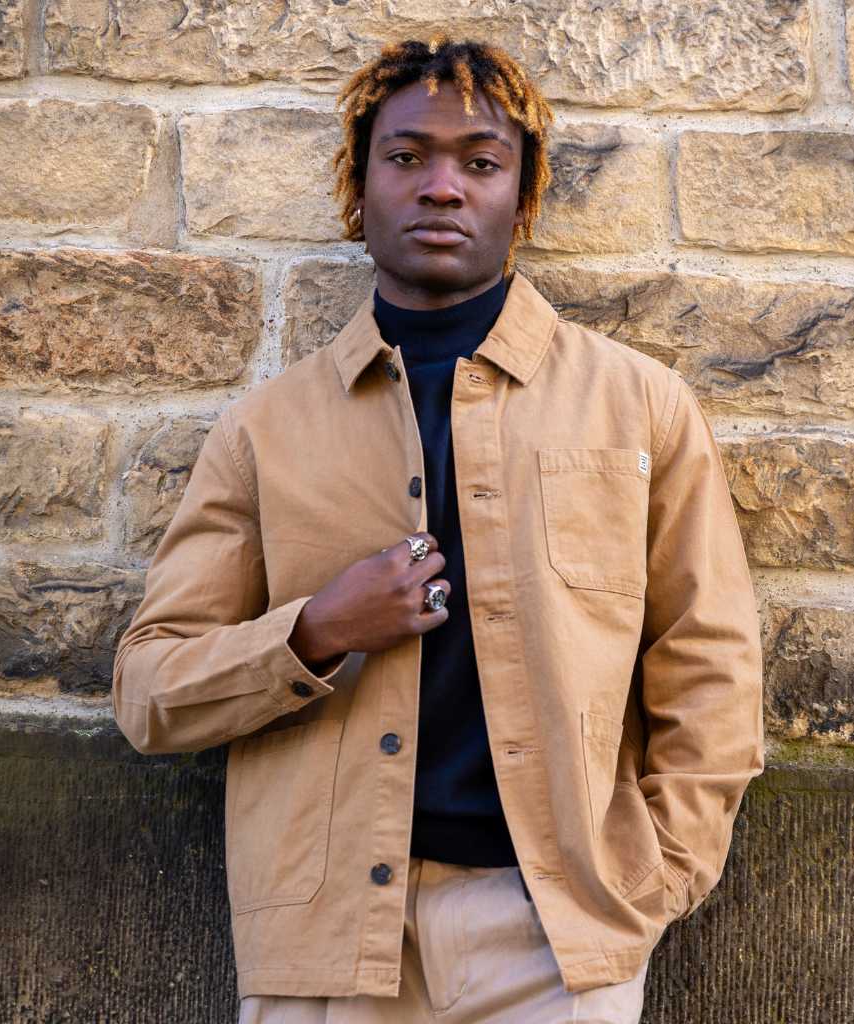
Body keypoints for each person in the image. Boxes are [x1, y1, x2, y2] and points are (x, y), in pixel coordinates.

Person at [112, 34, 764, 1024]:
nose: (442, 187)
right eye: (407, 156)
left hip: (559, 939)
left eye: (480, 160)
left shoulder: (638, 407)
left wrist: (653, 877)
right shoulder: (266, 431)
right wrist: (316, 629)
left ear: (523, 194)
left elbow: (709, 661)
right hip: (329, 941)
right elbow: (150, 691)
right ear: (357, 188)